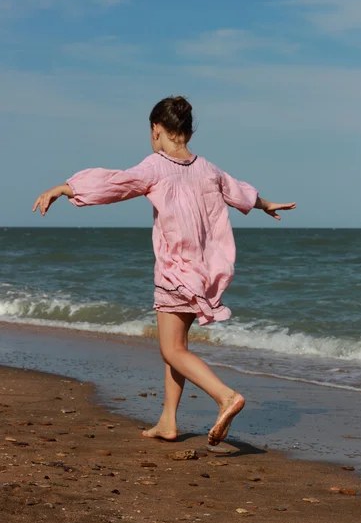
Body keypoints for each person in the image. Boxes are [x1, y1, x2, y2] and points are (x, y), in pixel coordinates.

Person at [33, 96, 296, 446]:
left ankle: (225, 396)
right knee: (178, 346)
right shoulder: (209, 169)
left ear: (157, 129)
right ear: (187, 131)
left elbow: (115, 183)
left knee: (171, 350)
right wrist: (265, 204)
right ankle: (168, 421)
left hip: (175, 270)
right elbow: (239, 192)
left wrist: (66, 187)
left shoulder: (156, 165)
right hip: (204, 272)